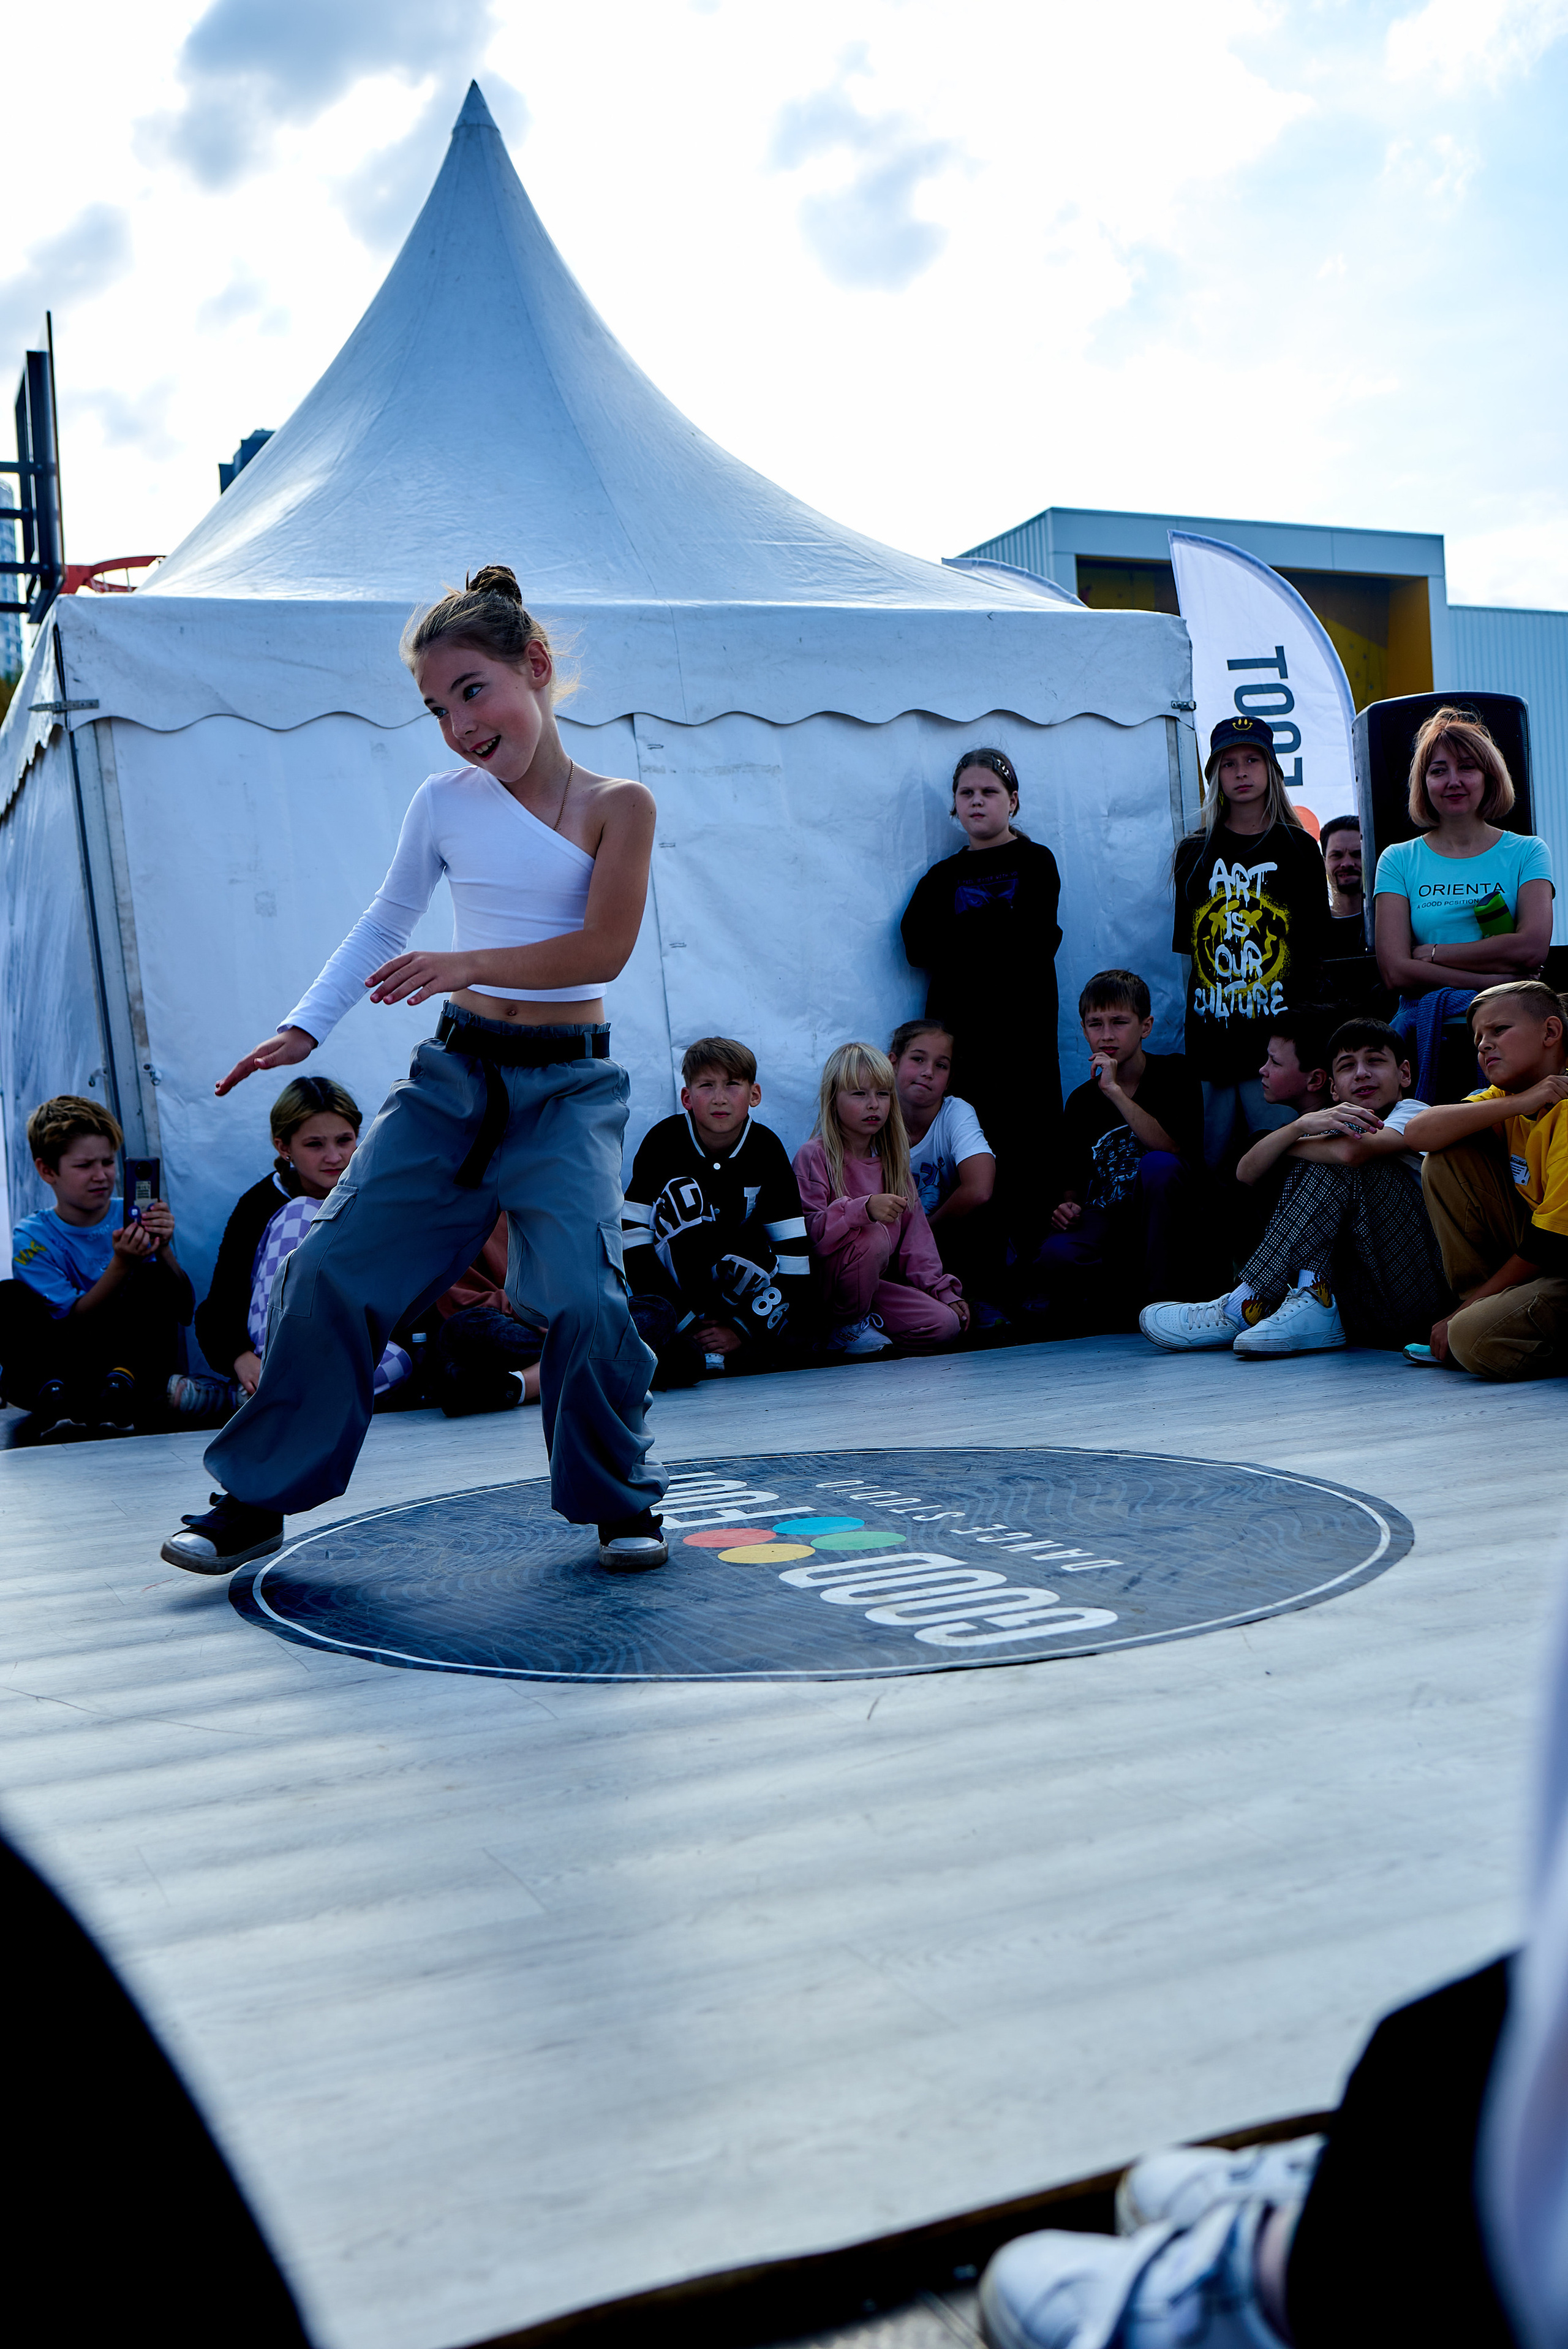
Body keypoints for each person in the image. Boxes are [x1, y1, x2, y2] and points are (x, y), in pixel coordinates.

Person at [159, 566, 666, 1577]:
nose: (458, 725)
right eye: (437, 708)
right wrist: (306, 1025)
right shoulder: (442, 802)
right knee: (328, 1267)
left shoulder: (622, 803)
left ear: (538, 665)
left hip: (567, 1090)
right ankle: (254, 1499)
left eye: (472, 690)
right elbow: (385, 923)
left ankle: (617, 1501)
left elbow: (604, 950)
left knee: (584, 1297)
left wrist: (468, 960)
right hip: (454, 1081)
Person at [1139, 1018, 1447, 1357]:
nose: (1361, 1073)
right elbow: (1245, 1171)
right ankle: (1312, 1297)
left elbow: (1351, 1152)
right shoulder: (1325, 1126)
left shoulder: (1413, 1113)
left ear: (1404, 1074)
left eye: (1375, 1061)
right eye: (1347, 1066)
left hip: (1418, 1289)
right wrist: (1297, 1128)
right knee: (1317, 1160)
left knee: (1340, 1160)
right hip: (1364, 1297)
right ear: (1333, 1089)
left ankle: (1246, 1303)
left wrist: (1287, 1139)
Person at [900, 749, 1063, 1224]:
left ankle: (1035, 1273)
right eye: (966, 793)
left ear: (1012, 801)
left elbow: (1033, 941)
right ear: (954, 805)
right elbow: (915, 945)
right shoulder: (941, 877)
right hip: (963, 1046)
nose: (977, 801)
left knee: (1029, 1152)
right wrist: (995, 924)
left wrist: (961, 932)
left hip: (1024, 1041)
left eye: (989, 792)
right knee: (970, 1156)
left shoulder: (1036, 862)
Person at [1373, 706, 1555, 1102]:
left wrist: (1432, 955)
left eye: (1467, 767)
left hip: (1514, 1038)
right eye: (1439, 770)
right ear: (1424, 783)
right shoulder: (1397, 860)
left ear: (1489, 776)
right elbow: (1394, 971)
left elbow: (1531, 948)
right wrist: (1494, 982)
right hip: (1424, 1031)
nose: (1453, 781)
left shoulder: (1528, 852)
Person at [1173, 715, 1331, 1170]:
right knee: (1217, 1170)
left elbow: (1314, 950)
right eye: (1228, 763)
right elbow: (1192, 952)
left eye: (1252, 760)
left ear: (1272, 769)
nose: (1241, 772)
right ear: (1214, 777)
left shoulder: (1300, 849)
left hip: (1279, 1045)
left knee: (1283, 1162)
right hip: (1212, 1045)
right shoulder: (1193, 853)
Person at [622, 1036, 811, 1386]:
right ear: (687, 1098)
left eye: (732, 1085)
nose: (720, 1098)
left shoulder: (767, 1149)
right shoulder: (663, 1141)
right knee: (650, 1322)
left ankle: (717, 1353)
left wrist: (741, 1329)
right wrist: (685, 1319)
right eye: (707, 1086)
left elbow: (794, 1259)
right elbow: (631, 1235)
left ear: (754, 1094)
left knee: (799, 1335)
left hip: (740, 1300)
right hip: (669, 1297)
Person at [1404, 982, 1568, 1380]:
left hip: (1558, 1258)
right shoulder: (1510, 1096)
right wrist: (1523, 1102)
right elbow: (1420, 1133)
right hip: (1546, 1264)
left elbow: (1551, 1244)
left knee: (1472, 1337)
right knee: (1446, 1155)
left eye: (1499, 1031)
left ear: (1550, 1032)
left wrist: (1461, 1315)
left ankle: (1478, 1319)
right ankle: (1483, 1313)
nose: (1483, 1045)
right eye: (1478, 1037)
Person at [2, 1095, 194, 1432]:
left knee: (153, 1277)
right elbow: (70, 1326)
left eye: (108, 1162)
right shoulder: (32, 1237)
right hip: (63, 1369)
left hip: (127, 1370)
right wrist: (120, 1265)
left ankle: (124, 1384)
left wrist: (162, 1250)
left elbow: (184, 1309)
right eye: (84, 1166)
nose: (101, 1176)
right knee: (8, 1297)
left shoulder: (134, 1213)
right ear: (47, 1170)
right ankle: (51, 1394)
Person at [1029, 971, 1200, 1325]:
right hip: (1109, 1217)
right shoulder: (1081, 1101)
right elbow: (1073, 1173)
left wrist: (1116, 1093)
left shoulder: (1175, 1073)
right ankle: (1119, 1299)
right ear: (1083, 1029)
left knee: (1158, 1166)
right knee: (1057, 1254)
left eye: (1119, 1022)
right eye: (1096, 1024)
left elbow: (1171, 1148)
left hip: (1167, 1214)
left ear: (1146, 1026)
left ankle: (1161, 1306)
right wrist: (1067, 1204)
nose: (1106, 1035)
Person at [793, 1042, 968, 1356]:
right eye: (860, 1094)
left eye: (883, 1094)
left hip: (873, 1288)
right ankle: (839, 1328)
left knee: (945, 1325)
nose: (874, 1104)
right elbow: (808, 1235)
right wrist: (862, 1210)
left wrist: (942, 1290)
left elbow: (918, 1238)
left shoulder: (893, 1160)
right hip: (826, 1289)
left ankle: (854, 1335)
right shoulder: (814, 1155)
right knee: (871, 1236)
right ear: (833, 1100)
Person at [887, 1019, 1003, 1315]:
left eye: (941, 1065)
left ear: (949, 1079)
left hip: (941, 1235)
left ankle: (980, 1298)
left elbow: (979, 1189)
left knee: (986, 1210)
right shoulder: (875, 1113)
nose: (928, 1072)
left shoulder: (955, 1112)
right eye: (917, 1059)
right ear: (893, 1062)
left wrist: (924, 1234)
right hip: (887, 1241)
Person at [1320, 814, 1366, 953]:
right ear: (1324, 863)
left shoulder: (1392, 924)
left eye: (1357, 854)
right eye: (1337, 856)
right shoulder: (1311, 928)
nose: (1347, 864)